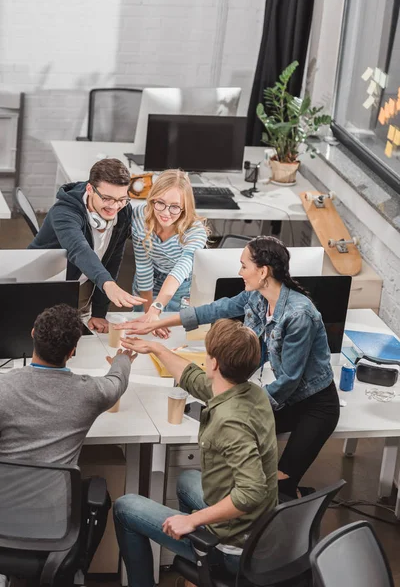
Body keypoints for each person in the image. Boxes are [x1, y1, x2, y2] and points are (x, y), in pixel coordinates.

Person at [117, 236, 340, 499]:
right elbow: (215, 309)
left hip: (314, 405)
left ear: (263, 271)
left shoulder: (299, 315)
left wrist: (241, 406)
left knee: (281, 484)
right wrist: (154, 323)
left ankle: (291, 506)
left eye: (244, 266)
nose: (239, 272)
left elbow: (289, 380)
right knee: (238, 446)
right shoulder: (256, 297)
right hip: (285, 399)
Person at [114, 319, 277, 587]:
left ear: (213, 363)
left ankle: (198, 559)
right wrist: (157, 349)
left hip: (233, 548)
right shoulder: (251, 392)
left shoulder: (230, 421)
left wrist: (192, 520)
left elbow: (252, 491)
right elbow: (194, 379)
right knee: (187, 479)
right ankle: (198, 573)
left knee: (125, 507)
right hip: (259, 528)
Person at [0, 304, 137, 574]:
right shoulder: (89, 392)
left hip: (4, 514)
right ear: (73, 350)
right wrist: (123, 359)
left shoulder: (4, 387)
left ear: (32, 334)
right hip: (55, 524)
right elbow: (116, 382)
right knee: (101, 496)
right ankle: (73, 570)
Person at [28, 158, 146, 333]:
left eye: (122, 199)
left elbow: (112, 259)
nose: (114, 207)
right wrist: (108, 284)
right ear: (90, 189)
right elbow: (79, 249)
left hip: (79, 286)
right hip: (41, 287)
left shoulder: (123, 211)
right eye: (107, 198)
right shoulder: (64, 212)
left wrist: (99, 312)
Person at [131, 169, 207, 326]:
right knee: (140, 326)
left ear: (185, 207)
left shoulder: (195, 231)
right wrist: (149, 312)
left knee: (171, 332)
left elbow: (181, 268)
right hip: (148, 280)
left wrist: (156, 308)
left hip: (180, 285)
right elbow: (143, 265)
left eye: (175, 207)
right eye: (160, 203)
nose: (166, 213)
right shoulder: (140, 216)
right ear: (152, 199)